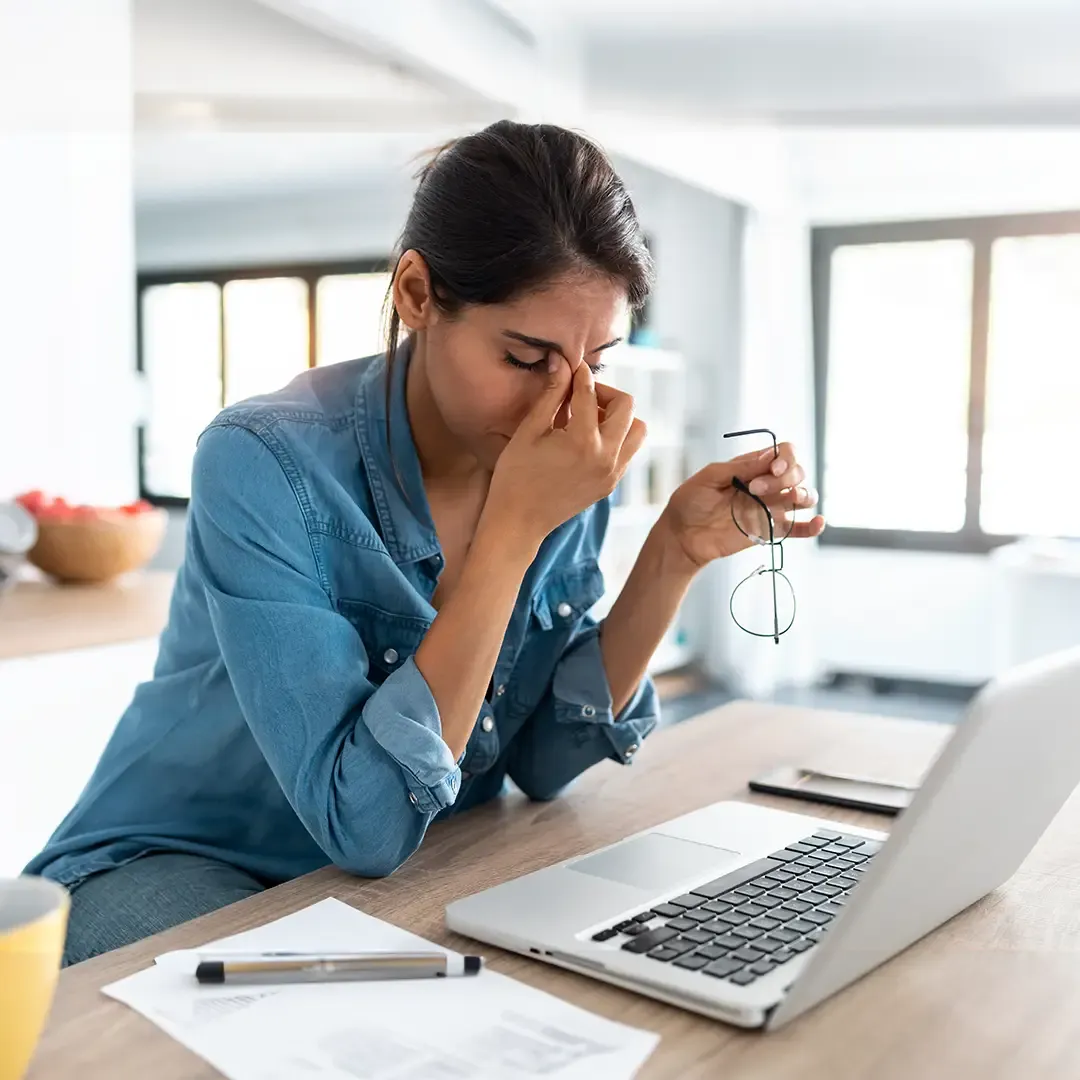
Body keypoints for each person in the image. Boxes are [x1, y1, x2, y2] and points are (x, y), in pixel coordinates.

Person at [25, 120, 824, 966]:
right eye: (526, 356)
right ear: (415, 293)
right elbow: (362, 821)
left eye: (599, 357)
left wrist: (673, 554)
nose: (568, 402)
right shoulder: (263, 460)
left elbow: (547, 761)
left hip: (390, 871)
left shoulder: (559, 454)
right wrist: (513, 533)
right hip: (182, 861)